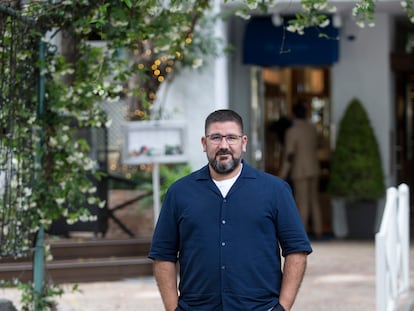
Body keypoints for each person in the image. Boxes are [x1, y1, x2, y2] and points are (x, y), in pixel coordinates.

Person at [148, 109, 312, 311]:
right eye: (216, 137)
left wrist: (282, 308)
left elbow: (296, 251)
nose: (223, 145)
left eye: (231, 138)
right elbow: (163, 255)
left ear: (243, 143)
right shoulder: (179, 192)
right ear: (204, 143)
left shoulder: (275, 190)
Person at [280, 101, 323, 239]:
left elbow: (289, 154)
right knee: (314, 201)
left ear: (293, 114)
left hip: (300, 170)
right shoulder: (312, 128)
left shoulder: (292, 131)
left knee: (302, 202)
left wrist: (282, 175)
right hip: (314, 168)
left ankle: (302, 234)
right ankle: (318, 231)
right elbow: (319, 145)